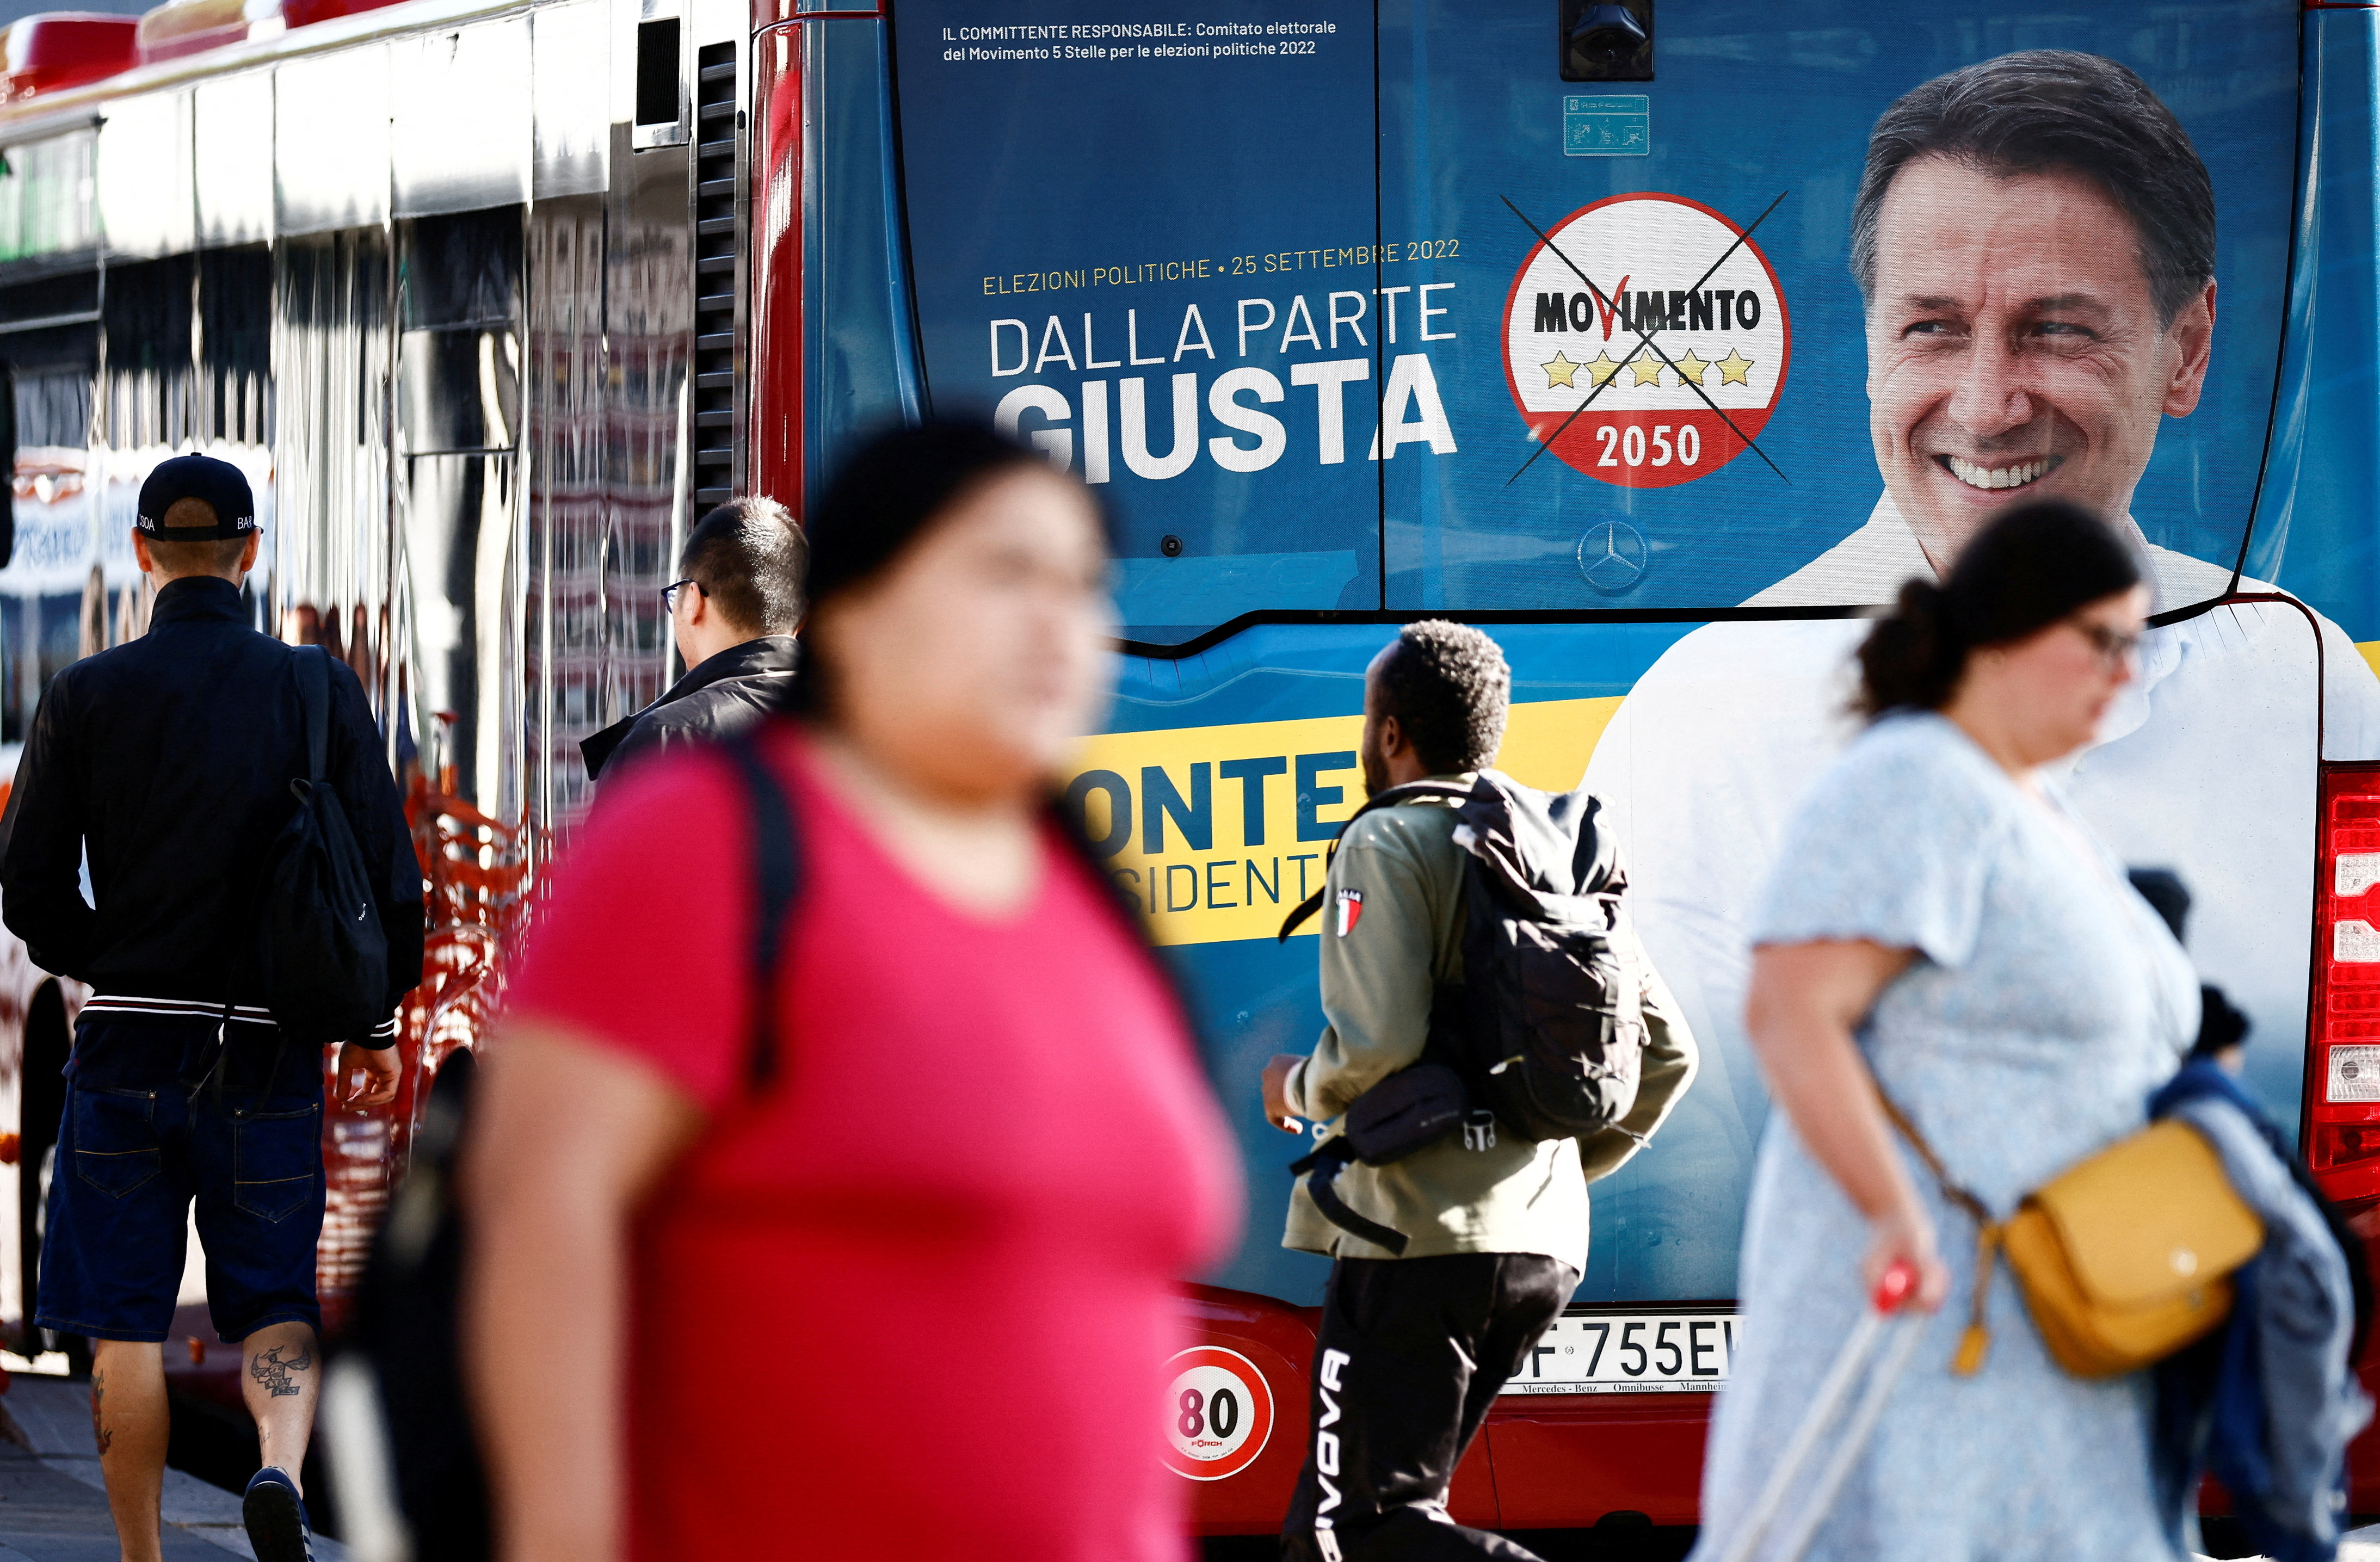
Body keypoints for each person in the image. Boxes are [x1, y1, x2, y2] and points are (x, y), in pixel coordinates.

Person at [1581, 51, 2380, 1295]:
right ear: (1867, 350)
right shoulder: (1704, 717)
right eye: (1931, 329)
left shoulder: (2297, 681)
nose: (1985, 401)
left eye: (2054, 329)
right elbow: (1664, 1224)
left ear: (2184, 349)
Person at [464, 423, 1241, 1562]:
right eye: (1001, 572)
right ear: (860, 611)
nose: (1051, 619)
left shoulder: (1079, 886)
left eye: (1080, 581)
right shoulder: (703, 833)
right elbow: (540, 1213)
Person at [1691, 501, 2200, 1560]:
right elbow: (1792, 1011)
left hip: (2036, 1334)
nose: (2127, 672)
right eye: (2103, 641)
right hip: (1935, 1338)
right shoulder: (1917, 780)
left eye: (2138, 645)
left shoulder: (2021, 801)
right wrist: (1893, 1216)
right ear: (2007, 635)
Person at [0, 454, 424, 1562]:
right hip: (265, 1049)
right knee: (277, 1295)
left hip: (129, 1046)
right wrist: (374, 1023)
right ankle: (277, 1463)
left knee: (126, 1319)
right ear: (249, 554)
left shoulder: (85, 695)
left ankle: (144, 1555)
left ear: (142, 553)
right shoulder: (315, 688)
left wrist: (117, 954)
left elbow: (29, 889)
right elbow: (382, 875)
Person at [1261, 622, 1698, 1562]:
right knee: (1334, 1535)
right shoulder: (1544, 853)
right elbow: (1666, 1057)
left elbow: (1375, 1045)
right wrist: (1540, 1176)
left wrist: (1292, 1082)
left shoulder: (1388, 837)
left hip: (1412, 1240)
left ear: (1389, 734)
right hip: (1540, 1244)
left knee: (1362, 1531)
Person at [578, 495, 805, 782]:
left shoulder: (664, 743)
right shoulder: (854, 729)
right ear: (800, 621)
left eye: (674, 598)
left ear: (692, 603)